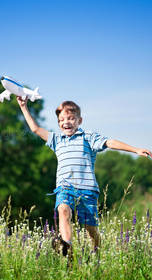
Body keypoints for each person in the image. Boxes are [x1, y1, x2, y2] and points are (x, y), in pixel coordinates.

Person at [17, 98, 152, 256]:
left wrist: (135, 150)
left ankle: (98, 252)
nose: (66, 122)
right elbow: (35, 129)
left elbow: (110, 143)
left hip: (88, 190)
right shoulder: (57, 140)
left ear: (79, 120)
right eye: (61, 119)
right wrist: (24, 106)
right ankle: (67, 246)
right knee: (63, 210)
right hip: (65, 188)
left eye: (70, 118)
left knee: (91, 229)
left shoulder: (88, 137)